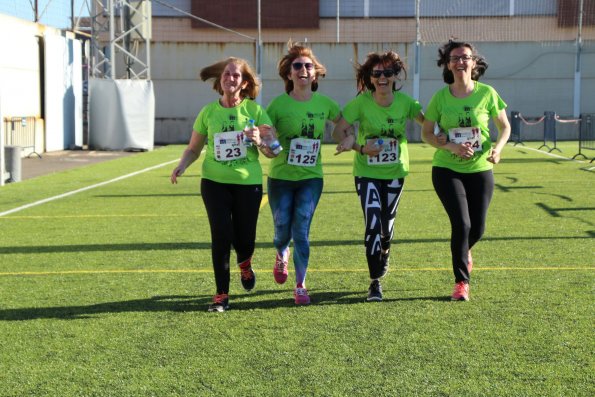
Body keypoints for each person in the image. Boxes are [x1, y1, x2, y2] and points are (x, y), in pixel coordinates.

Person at [171, 57, 276, 312]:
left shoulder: (255, 112)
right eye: (226, 74)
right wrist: (183, 165)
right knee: (220, 236)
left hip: (247, 183)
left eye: (236, 76)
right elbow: (194, 148)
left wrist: (260, 141)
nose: (230, 78)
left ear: (244, 82)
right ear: (220, 80)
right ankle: (221, 294)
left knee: (245, 240)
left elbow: (274, 151)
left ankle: (245, 263)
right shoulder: (208, 112)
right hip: (214, 182)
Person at [421, 40, 511, 301]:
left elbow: (504, 127)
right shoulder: (440, 97)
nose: (461, 62)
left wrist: (498, 149)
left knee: (478, 228)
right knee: (461, 223)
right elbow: (427, 132)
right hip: (447, 169)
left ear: (474, 62)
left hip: (481, 168)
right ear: (448, 65)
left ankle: (464, 251)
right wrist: (450, 146)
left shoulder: (487, 93)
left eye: (466, 57)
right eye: (455, 58)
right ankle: (461, 282)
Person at [333, 51, 424, 302]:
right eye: (377, 73)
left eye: (387, 72)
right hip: (366, 172)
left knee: (387, 225)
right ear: (370, 78)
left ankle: (386, 248)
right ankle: (375, 281)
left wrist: (445, 135)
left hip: (395, 172)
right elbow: (338, 130)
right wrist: (356, 145)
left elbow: (427, 126)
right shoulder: (360, 103)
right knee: (372, 222)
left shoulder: (407, 103)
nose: (382, 77)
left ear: (396, 75)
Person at [266, 41, 341, 305]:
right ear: (289, 74)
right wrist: (267, 145)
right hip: (280, 178)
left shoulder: (325, 104)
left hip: (311, 178)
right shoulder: (277, 106)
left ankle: (301, 285)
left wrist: (347, 136)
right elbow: (267, 136)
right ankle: (280, 251)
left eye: (308, 66)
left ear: (316, 72)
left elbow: (342, 123)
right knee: (281, 229)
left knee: (302, 229)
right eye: (297, 66)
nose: (303, 70)